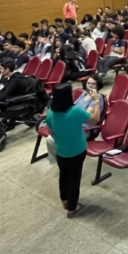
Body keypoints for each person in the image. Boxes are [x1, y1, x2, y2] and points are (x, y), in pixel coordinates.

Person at [45, 84, 101, 217]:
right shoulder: (75, 111)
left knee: (63, 175)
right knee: (74, 179)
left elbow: (51, 133)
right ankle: (72, 208)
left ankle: (64, 200)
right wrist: (96, 101)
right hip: (76, 150)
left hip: (61, 150)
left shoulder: (51, 113)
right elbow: (95, 118)